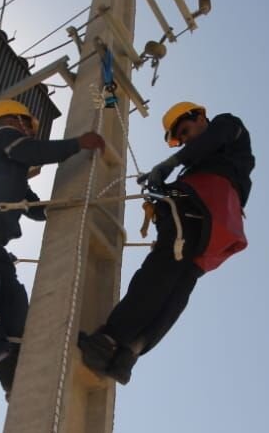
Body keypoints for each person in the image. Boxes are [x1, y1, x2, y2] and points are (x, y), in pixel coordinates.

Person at [0, 99, 105, 396]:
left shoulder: (6, 168)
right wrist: (79, 143)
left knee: (12, 294)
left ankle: (16, 358)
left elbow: (29, 204)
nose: (29, 131)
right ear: (16, 120)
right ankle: (1, 361)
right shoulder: (1, 137)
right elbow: (32, 151)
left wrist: (60, 208)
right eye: (28, 125)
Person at [78, 101, 253, 384]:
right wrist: (160, 197)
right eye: (180, 138)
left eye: (185, 130)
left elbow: (212, 139)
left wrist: (170, 166)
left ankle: (109, 340)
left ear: (200, 117)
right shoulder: (202, 166)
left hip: (201, 205)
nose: (185, 139)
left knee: (162, 268)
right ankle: (129, 352)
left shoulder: (228, 125)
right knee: (180, 284)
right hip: (216, 227)